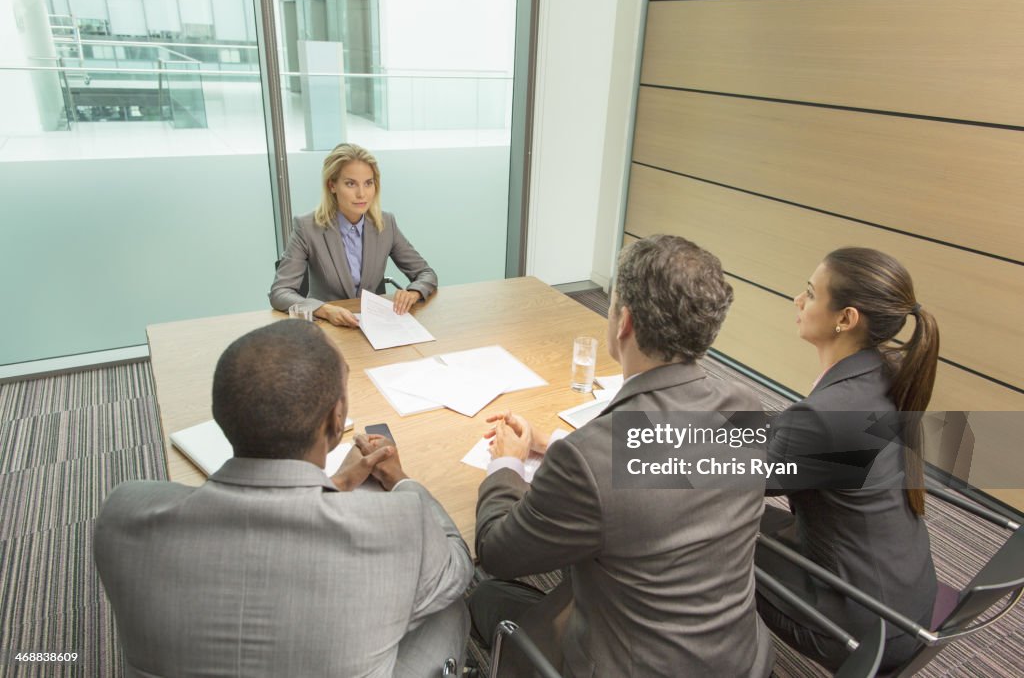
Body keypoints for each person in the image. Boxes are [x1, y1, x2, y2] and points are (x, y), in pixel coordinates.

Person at [468, 235, 775, 677]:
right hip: (738, 656)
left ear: (623, 321)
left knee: (486, 595)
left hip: (633, 665)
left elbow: (497, 552)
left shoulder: (589, 458)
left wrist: (507, 464)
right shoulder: (743, 403)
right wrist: (552, 444)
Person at [93, 320, 472, 677]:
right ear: (336, 420)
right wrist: (403, 481)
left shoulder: (123, 512)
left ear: (221, 413)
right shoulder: (398, 522)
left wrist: (336, 484)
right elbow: (457, 567)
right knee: (449, 604)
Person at [756, 247, 939, 672]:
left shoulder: (828, 416)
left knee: (696, 529)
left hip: (861, 629)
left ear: (846, 318)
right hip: (906, 603)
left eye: (810, 293)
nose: (797, 302)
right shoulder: (885, 374)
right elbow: (795, 445)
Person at [270, 143, 438, 327]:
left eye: (368, 183)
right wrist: (325, 310)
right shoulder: (307, 227)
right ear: (332, 185)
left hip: (374, 326)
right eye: (350, 184)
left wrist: (413, 292)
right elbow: (280, 292)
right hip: (327, 328)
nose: (361, 194)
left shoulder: (385, 223)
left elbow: (426, 273)